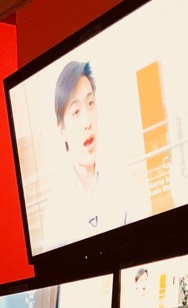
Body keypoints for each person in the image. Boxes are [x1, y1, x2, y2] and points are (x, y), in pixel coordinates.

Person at [40, 60, 138, 251]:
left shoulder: (120, 174)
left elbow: (145, 240)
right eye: (76, 112)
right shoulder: (56, 207)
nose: (87, 122)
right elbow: (50, 269)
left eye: (90, 103)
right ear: (62, 130)